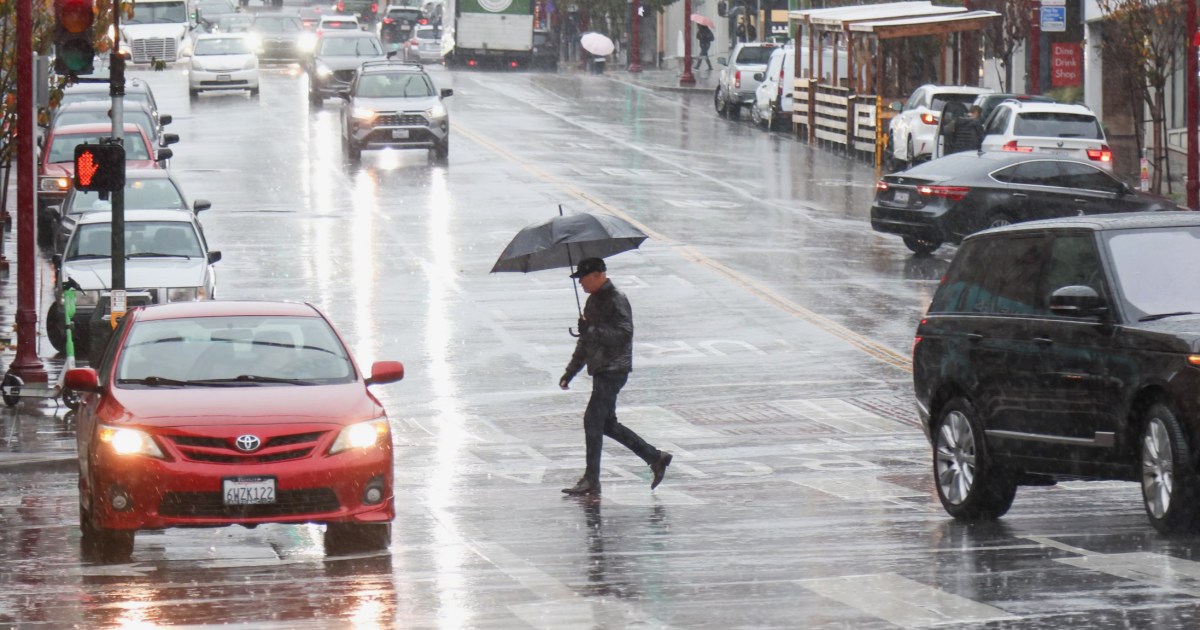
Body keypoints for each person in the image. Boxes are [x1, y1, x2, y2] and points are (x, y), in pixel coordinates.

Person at [559, 257, 672, 496]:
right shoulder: (592, 303)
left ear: (599, 274)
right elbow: (586, 343)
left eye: (583, 278)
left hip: (614, 369)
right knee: (606, 424)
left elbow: (623, 334)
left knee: (593, 420)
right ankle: (655, 457)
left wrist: (593, 330)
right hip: (601, 370)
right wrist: (570, 372)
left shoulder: (616, 299)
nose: (580, 283)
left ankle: (592, 479)